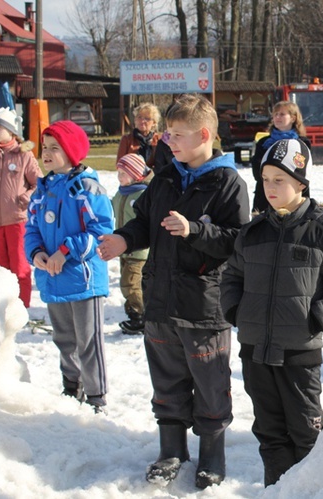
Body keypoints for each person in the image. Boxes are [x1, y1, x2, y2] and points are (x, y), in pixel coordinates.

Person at [96, 94, 250, 489]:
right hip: (161, 300)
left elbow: (237, 241)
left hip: (203, 305)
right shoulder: (164, 176)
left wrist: (196, 230)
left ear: (203, 135)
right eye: (167, 134)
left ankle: (212, 455)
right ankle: (172, 450)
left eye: (177, 135)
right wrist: (123, 240)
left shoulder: (227, 182)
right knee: (166, 380)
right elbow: (144, 221)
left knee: (210, 384)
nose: (168, 141)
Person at [222, 138, 323, 486]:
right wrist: (236, 311)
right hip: (255, 352)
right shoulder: (252, 233)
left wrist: (316, 318)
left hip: (299, 353)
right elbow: (231, 276)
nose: (270, 187)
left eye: (279, 180)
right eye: (265, 179)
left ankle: (311, 491)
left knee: (306, 433)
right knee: (269, 433)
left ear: (301, 182)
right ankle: (277, 490)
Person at [24, 120, 114, 413]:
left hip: (83, 279)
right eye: (44, 147)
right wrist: (36, 252)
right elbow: (32, 228)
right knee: (64, 338)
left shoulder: (87, 187)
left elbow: (101, 229)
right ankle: (71, 386)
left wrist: (66, 251)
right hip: (52, 278)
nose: (46, 154)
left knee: (88, 341)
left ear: (72, 151)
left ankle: (96, 394)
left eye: (54, 148)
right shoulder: (42, 189)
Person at [0, 107, 42, 308]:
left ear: (11, 130)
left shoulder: (24, 155)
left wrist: (25, 198)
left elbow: (39, 185)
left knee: (20, 267)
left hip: (17, 222)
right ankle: (0, 307)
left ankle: (21, 307)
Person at [111, 153, 151, 334]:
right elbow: (110, 206)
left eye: (123, 173)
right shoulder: (121, 193)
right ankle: (135, 313)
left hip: (139, 251)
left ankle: (140, 316)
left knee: (131, 282)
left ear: (135, 174)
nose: (119, 176)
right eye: (118, 172)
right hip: (124, 248)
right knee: (128, 281)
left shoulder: (142, 193)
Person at [251, 101, 310, 212]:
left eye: (282, 114)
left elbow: (303, 172)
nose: (277, 117)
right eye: (275, 114)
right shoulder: (263, 143)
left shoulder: (302, 143)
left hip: (294, 198)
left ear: (293, 118)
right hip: (265, 198)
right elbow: (256, 170)